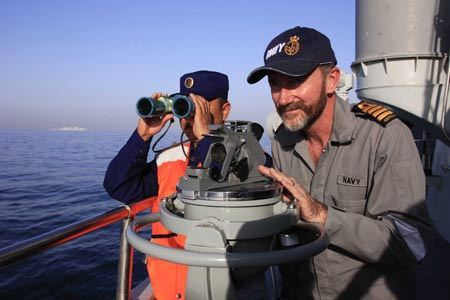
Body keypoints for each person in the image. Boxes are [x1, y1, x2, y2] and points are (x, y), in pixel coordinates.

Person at [247, 26, 431, 299]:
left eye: (295, 81)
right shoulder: (282, 142)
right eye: (275, 83)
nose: (283, 98)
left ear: (332, 80)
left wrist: (322, 215)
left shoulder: (384, 137)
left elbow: (411, 243)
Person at [104, 70, 231, 300]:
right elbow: (118, 186)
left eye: (199, 105)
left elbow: (220, 179)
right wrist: (142, 136)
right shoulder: (169, 159)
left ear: (225, 111)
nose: (190, 116)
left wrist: (205, 140)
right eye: (186, 106)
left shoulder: (248, 159)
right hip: (167, 292)